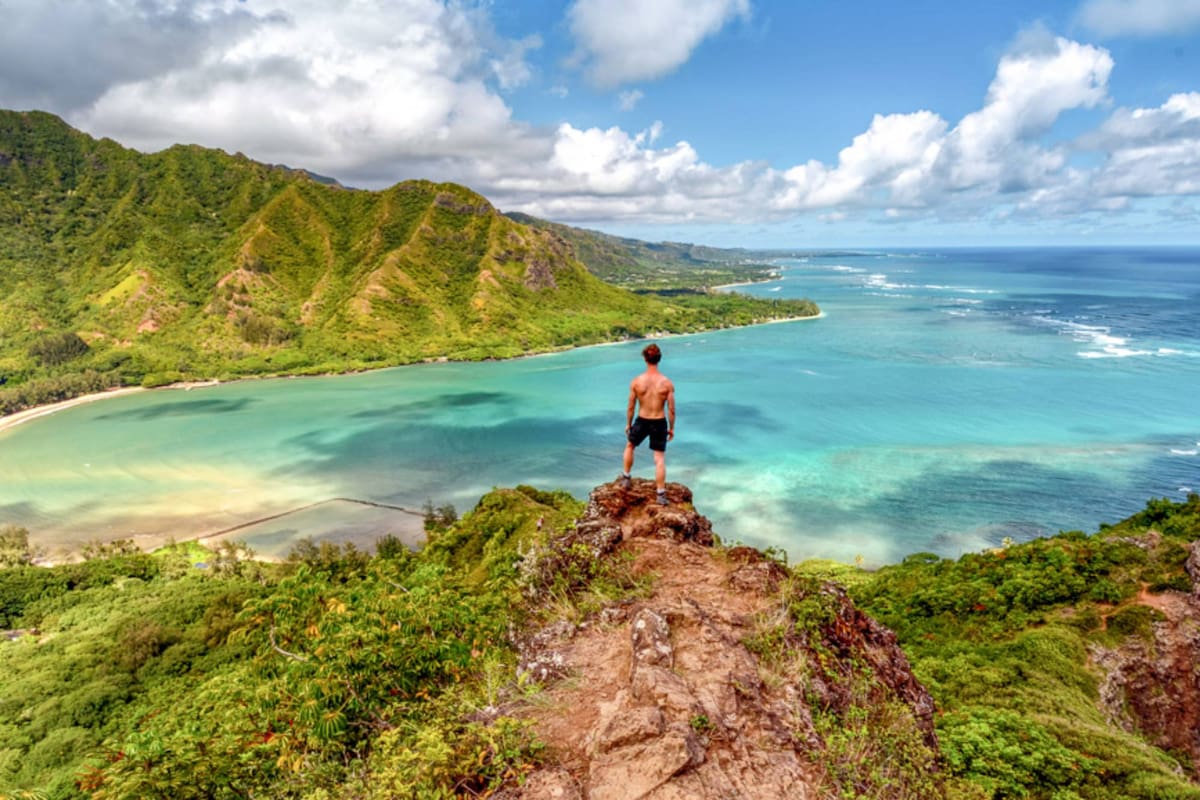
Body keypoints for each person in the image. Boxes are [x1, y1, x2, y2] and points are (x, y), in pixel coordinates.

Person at [618, 343, 676, 505]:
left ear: (645, 359)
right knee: (659, 458)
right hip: (659, 421)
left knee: (630, 446)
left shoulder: (637, 382)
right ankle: (660, 494)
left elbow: (631, 406)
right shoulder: (667, 383)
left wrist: (628, 424)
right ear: (659, 359)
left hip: (642, 419)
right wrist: (671, 428)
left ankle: (626, 478)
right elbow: (671, 410)